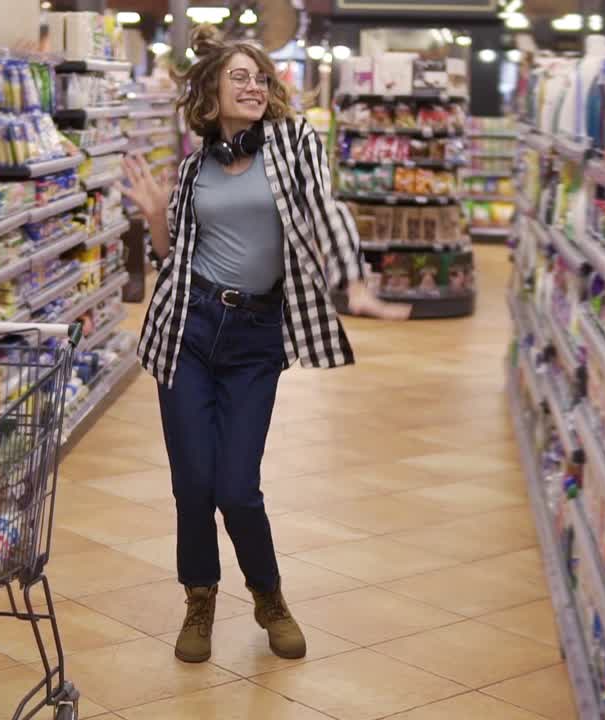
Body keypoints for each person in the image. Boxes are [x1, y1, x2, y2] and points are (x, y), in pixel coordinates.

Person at [118, 26, 407, 665]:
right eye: (238, 78)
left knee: (237, 487)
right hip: (187, 332)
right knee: (192, 483)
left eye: (260, 77)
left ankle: (269, 596)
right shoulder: (194, 168)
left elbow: (325, 208)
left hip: (255, 338)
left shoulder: (294, 143)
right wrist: (158, 220)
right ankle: (199, 598)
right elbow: (174, 260)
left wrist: (352, 280)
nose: (252, 87)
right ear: (212, 95)